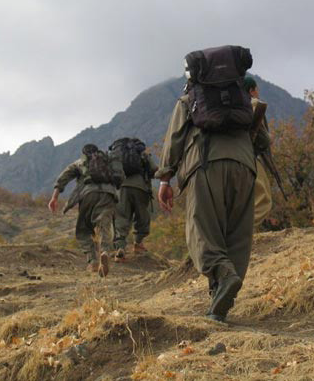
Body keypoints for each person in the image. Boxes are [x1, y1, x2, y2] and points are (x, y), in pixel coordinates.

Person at [156, 45, 256, 323]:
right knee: (237, 234)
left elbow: (174, 137)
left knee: (201, 230)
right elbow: (262, 139)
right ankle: (220, 300)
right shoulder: (242, 98)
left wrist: (165, 178)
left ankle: (223, 277)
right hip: (246, 167)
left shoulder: (189, 99)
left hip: (206, 163)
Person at [48, 143, 124, 277]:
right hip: (109, 194)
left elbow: (63, 178)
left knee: (83, 229)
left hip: (88, 194)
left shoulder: (80, 162)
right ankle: (105, 251)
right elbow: (120, 178)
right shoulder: (107, 161)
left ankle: (93, 261)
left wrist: (54, 197)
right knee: (105, 225)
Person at [111, 138, 158, 260]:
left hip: (121, 188)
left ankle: (120, 247)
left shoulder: (118, 155)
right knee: (141, 216)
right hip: (140, 187)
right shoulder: (141, 152)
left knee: (121, 217)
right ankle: (138, 244)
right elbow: (153, 169)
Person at [244, 77, 273, 227]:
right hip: (246, 156)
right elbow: (264, 140)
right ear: (251, 90)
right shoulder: (254, 105)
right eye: (256, 89)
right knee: (263, 199)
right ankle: (241, 233)